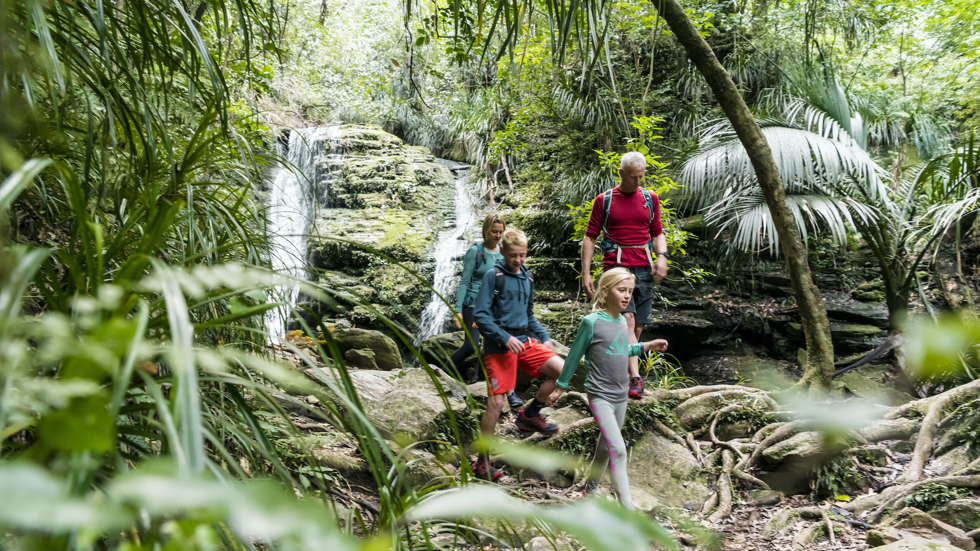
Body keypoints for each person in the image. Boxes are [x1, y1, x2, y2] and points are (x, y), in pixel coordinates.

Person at [549, 268, 668, 509]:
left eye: (630, 291)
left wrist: (648, 345)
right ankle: (629, 512)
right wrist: (559, 387)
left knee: (605, 447)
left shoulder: (623, 322)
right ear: (605, 291)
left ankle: (589, 491)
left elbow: (621, 350)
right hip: (599, 396)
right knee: (619, 450)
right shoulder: (591, 322)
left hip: (620, 396)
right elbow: (573, 355)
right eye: (621, 290)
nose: (626, 296)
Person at [472, 229, 565, 481]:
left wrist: (544, 337)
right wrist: (504, 337)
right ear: (502, 251)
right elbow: (480, 316)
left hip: (525, 341)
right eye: (513, 255)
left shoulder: (528, 278)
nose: (518, 260)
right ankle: (482, 463)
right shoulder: (494, 276)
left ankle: (529, 415)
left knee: (561, 370)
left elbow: (529, 315)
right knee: (497, 403)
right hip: (499, 345)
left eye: (523, 255)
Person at [580, 151, 668, 400]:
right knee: (627, 321)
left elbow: (657, 232)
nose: (638, 182)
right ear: (620, 173)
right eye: (633, 177)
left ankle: (625, 372)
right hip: (616, 269)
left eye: (641, 177)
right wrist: (586, 273)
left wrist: (662, 256)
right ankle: (636, 379)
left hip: (644, 268)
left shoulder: (650, 199)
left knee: (637, 326)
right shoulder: (604, 200)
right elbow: (590, 236)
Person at [450, 213, 522, 409]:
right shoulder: (475, 252)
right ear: (486, 230)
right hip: (473, 304)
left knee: (500, 346)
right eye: (493, 232)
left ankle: (504, 390)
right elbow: (464, 281)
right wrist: (458, 310)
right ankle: (443, 373)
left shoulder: (503, 252)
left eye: (500, 232)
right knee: (471, 345)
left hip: (495, 307)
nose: (497, 236)